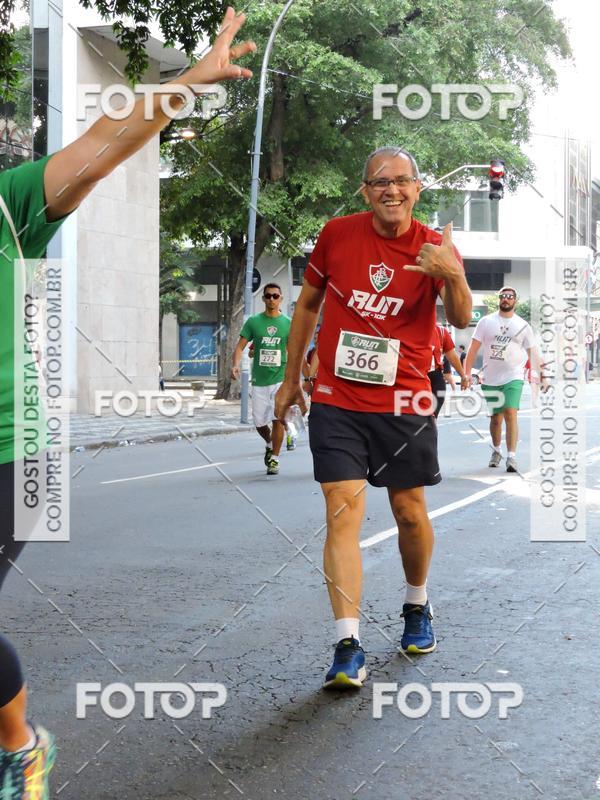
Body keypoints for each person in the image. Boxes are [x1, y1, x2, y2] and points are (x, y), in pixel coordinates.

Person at [0, 8, 255, 796]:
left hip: (13, 446)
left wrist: (184, 85)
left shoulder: (11, 204)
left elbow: (98, 151)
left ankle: (19, 746)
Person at [275, 146, 471, 689]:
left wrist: (452, 275)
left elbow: (459, 318)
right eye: (380, 182)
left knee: (409, 511)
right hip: (337, 398)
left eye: (402, 181)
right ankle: (348, 643)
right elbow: (308, 305)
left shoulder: (436, 244)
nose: (392, 190)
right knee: (342, 514)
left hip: (405, 399)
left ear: (417, 188)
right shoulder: (337, 234)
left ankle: (417, 604)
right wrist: (293, 379)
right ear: (365, 190)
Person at [464, 286, 547, 473]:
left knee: (510, 412)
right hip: (491, 378)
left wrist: (543, 376)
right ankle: (496, 451)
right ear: (500, 299)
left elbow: (533, 353)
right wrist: (467, 374)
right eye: (503, 296)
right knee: (495, 418)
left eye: (510, 297)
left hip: (514, 376)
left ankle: (511, 457)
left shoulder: (523, 326)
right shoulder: (486, 322)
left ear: (515, 301)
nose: (506, 299)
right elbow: (472, 349)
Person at [231, 284, 293, 474]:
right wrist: (235, 364)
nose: (272, 299)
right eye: (268, 296)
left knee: (277, 419)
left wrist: (295, 377)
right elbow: (241, 346)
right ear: (263, 299)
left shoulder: (288, 323)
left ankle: (274, 458)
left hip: (279, 378)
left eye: (275, 296)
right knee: (259, 423)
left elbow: (293, 351)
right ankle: (269, 443)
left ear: (281, 298)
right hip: (259, 380)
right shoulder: (254, 322)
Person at [428, 324, 467, 418]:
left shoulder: (441, 331)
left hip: (435, 376)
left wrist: (463, 376)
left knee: (432, 416)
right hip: (414, 376)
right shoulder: (406, 328)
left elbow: (452, 355)